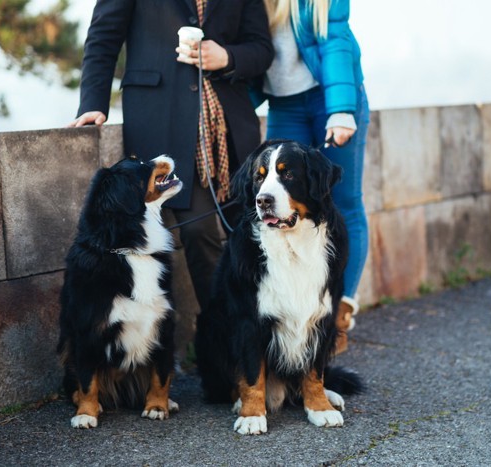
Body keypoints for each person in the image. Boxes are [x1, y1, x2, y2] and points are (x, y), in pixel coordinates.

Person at [68, 0, 274, 312]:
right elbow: (103, 36)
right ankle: (223, 340)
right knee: (197, 230)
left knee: (255, 231)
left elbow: (262, 49)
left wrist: (228, 57)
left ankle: (268, 333)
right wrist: (92, 103)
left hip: (232, 130)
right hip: (161, 122)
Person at [258, 0, 369, 354]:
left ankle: (337, 314)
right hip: (284, 104)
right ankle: (291, 312)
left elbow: (335, 40)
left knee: (344, 202)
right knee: (279, 197)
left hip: (330, 97)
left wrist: (340, 109)